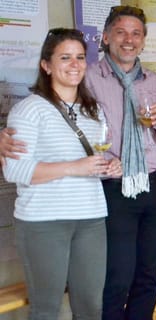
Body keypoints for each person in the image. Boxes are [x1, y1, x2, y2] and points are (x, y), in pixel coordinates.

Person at [3, 27, 121, 320]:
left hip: (91, 218)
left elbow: (94, 160)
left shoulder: (93, 110)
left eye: (80, 57)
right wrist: (75, 168)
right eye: (65, 57)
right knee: (47, 309)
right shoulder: (29, 110)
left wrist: (108, 166)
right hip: (43, 221)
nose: (75, 64)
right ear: (46, 65)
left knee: (91, 307)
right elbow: (15, 170)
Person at [84, 6, 156, 319]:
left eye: (136, 33)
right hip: (114, 187)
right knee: (117, 277)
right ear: (107, 36)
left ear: (143, 40)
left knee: (149, 276)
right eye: (121, 32)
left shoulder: (153, 81)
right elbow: (69, 127)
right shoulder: (88, 77)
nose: (129, 39)